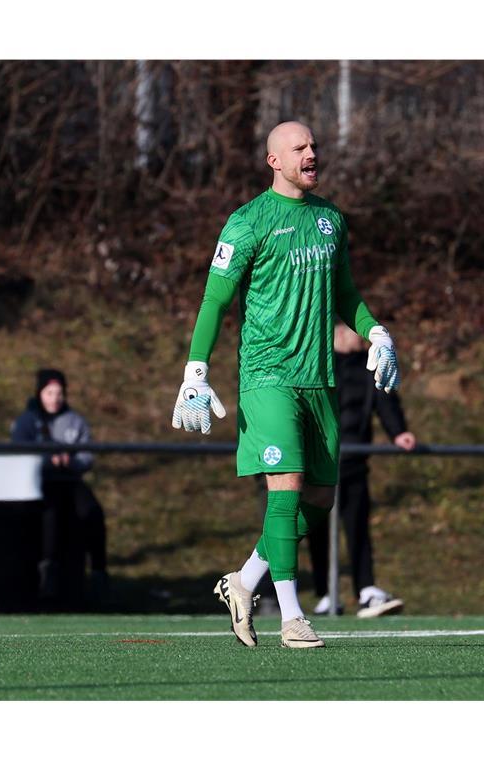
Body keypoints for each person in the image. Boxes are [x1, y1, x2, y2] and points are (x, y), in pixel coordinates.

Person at [172, 121, 400, 649]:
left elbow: (346, 293)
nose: (312, 154)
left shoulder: (330, 220)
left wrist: (376, 332)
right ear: (274, 161)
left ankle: (244, 580)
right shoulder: (247, 221)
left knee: (318, 501)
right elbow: (215, 300)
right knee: (288, 485)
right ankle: (292, 616)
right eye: (300, 148)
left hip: (318, 379)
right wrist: (196, 369)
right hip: (267, 376)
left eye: (315, 146)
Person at [306, 322, 416, 618]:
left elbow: (385, 401)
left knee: (357, 526)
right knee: (317, 528)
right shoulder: (316, 363)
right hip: (319, 461)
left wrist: (399, 432)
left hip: (354, 461)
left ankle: (365, 587)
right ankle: (326, 592)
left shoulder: (370, 367)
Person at [11, 368, 108, 607]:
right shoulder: (27, 421)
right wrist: (47, 460)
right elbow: (18, 453)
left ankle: (99, 572)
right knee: (49, 516)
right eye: (49, 392)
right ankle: (47, 574)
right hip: (38, 482)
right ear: (39, 393)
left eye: (59, 392)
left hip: (70, 480)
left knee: (92, 512)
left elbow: (87, 456)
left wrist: (71, 461)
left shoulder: (75, 421)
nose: (54, 398)